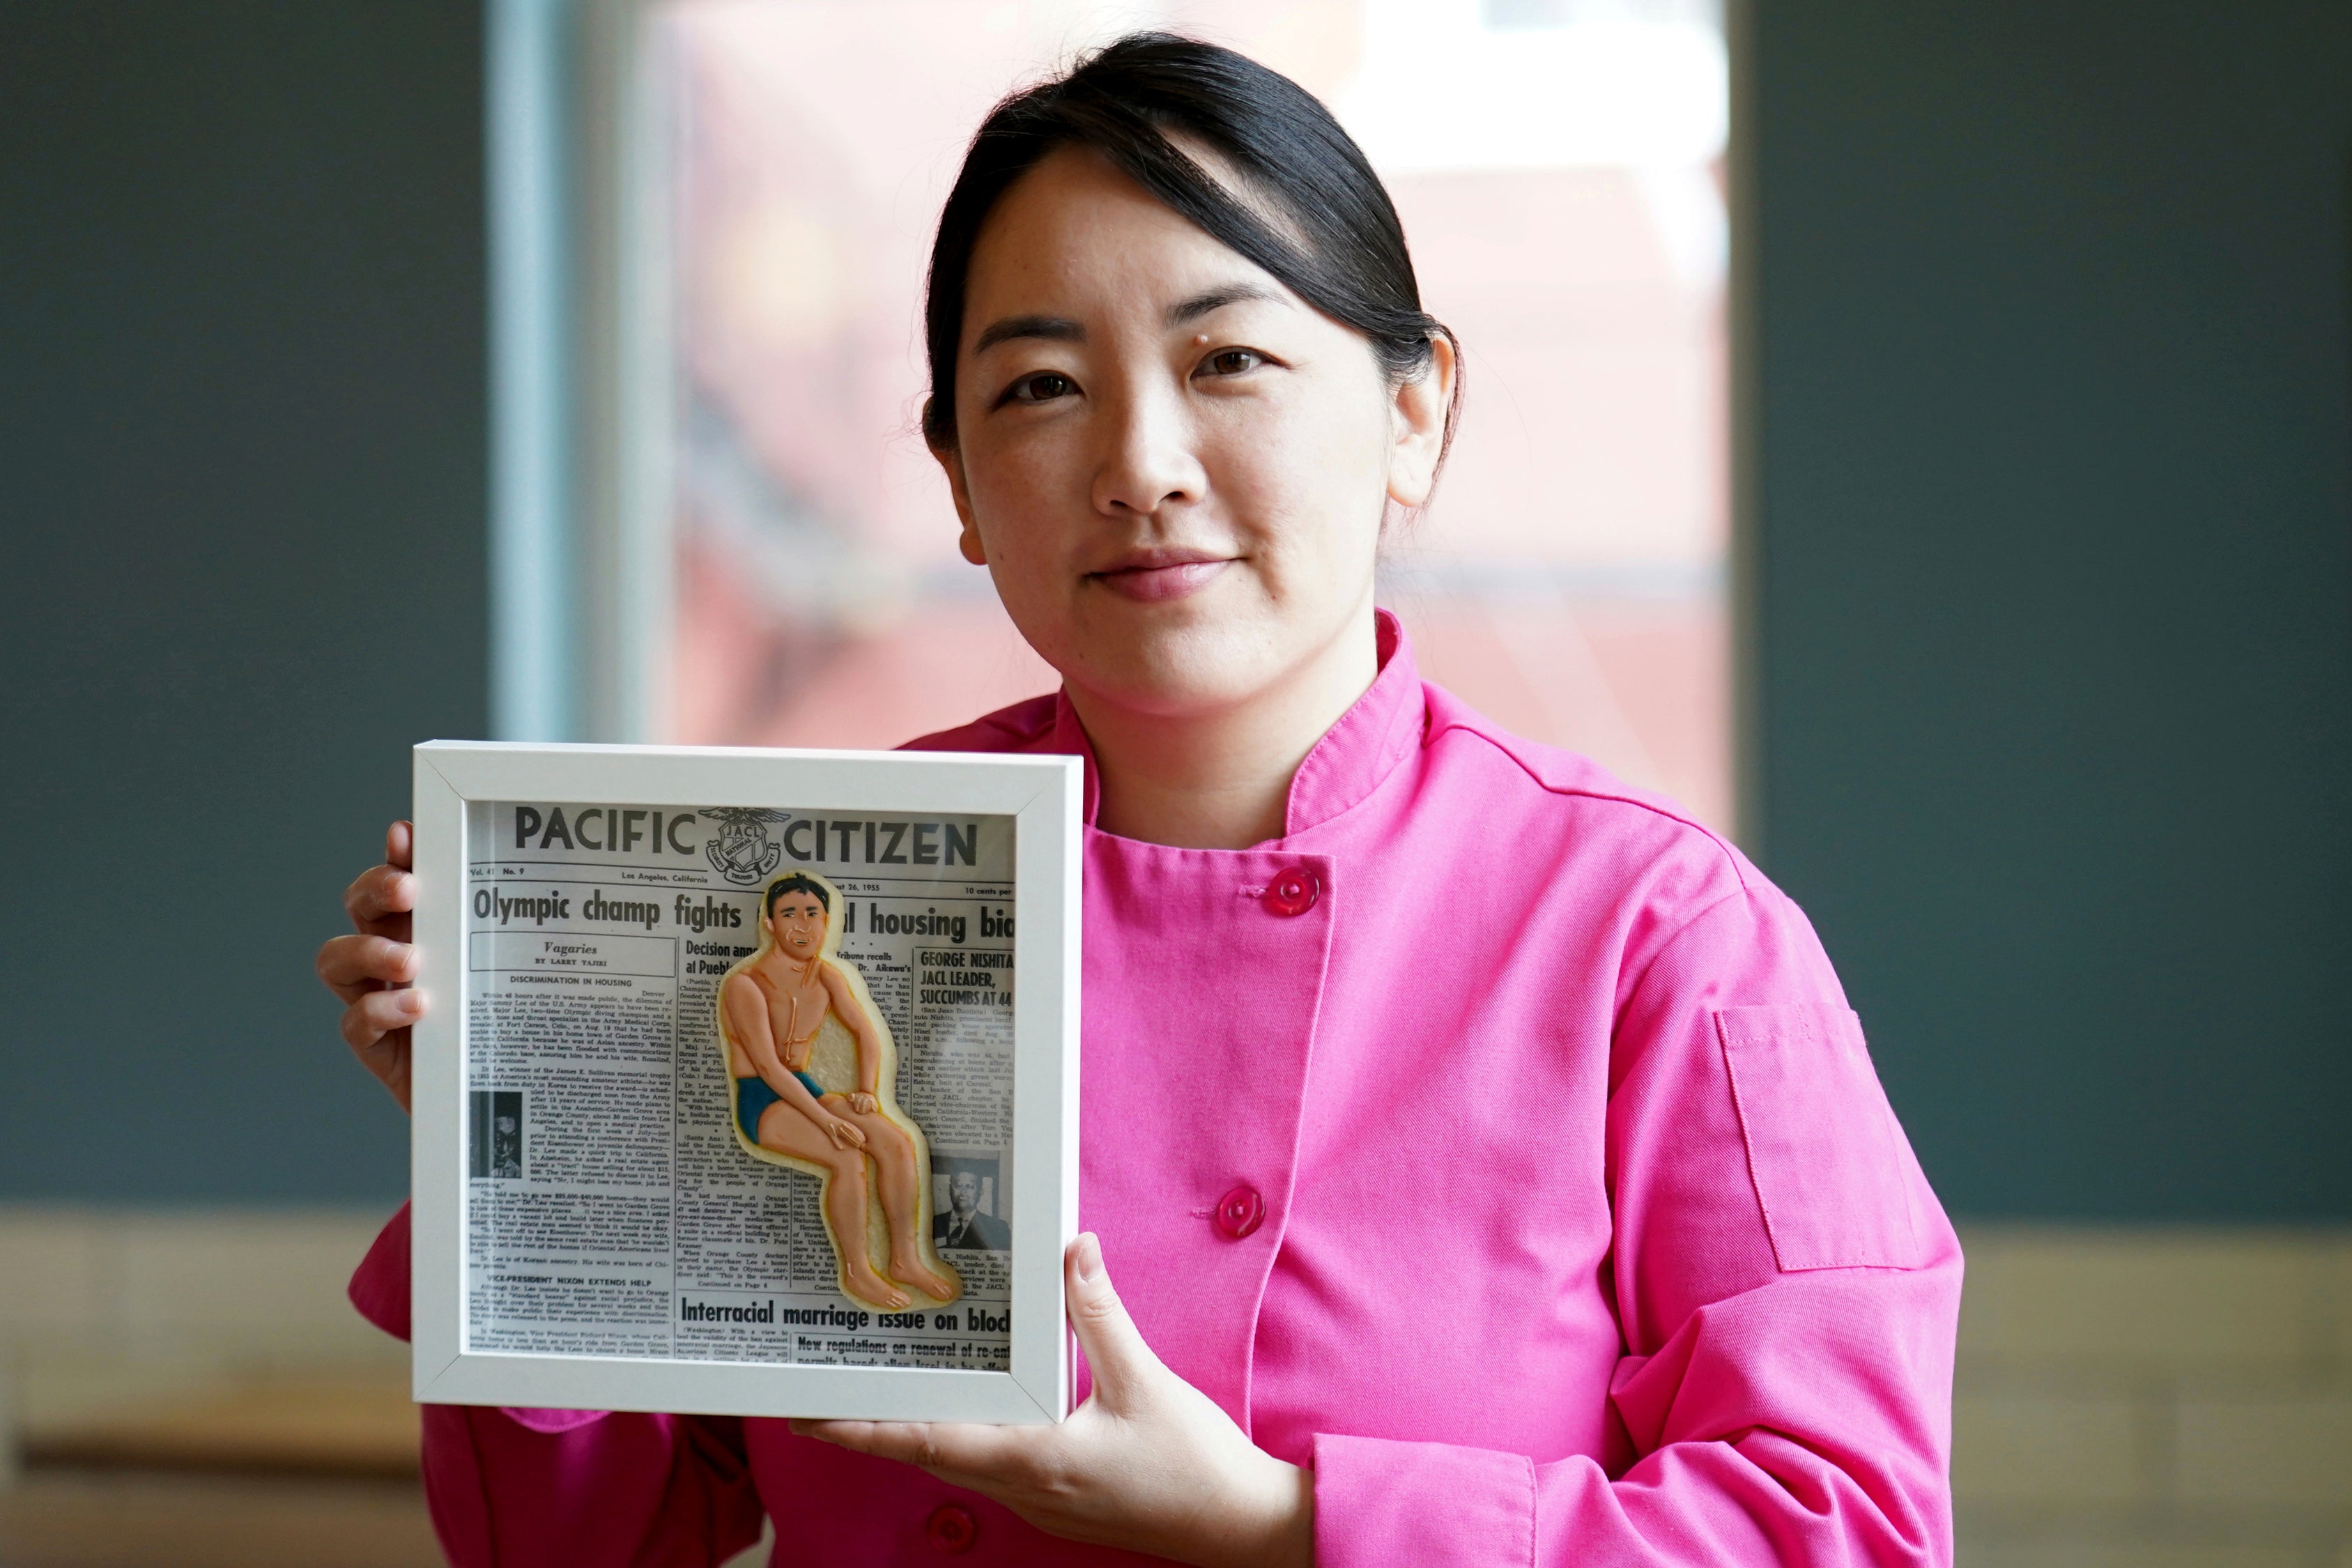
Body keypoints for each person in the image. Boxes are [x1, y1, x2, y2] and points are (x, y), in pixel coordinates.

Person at [315, 33, 1960, 1568]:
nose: (1140, 461)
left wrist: (1280, 1520)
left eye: (1228, 355)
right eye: (1039, 386)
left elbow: (1845, 1523)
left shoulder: (1660, 934)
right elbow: (586, 1536)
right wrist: (513, 1150)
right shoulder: (803, 882)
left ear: (1412, 412)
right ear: (955, 480)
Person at [723, 872, 960, 1311]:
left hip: (808, 1091)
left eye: (812, 913)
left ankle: (906, 1259)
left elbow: (866, 1034)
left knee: (895, 1141)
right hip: (763, 1100)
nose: (803, 924)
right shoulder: (746, 984)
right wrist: (829, 1120)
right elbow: (770, 1069)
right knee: (846, 1155)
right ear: (770, 923)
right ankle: (858, 1271)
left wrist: (867, 1091)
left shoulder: (827, 975)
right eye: (789, 913)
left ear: (826, 921)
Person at [934, 1168, 1010, 1252]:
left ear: (980, 1192)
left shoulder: (998, 1229)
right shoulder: (933, 1223)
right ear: (950, 1189)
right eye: (958, 1185)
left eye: (970, 1187)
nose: (963, 1193)